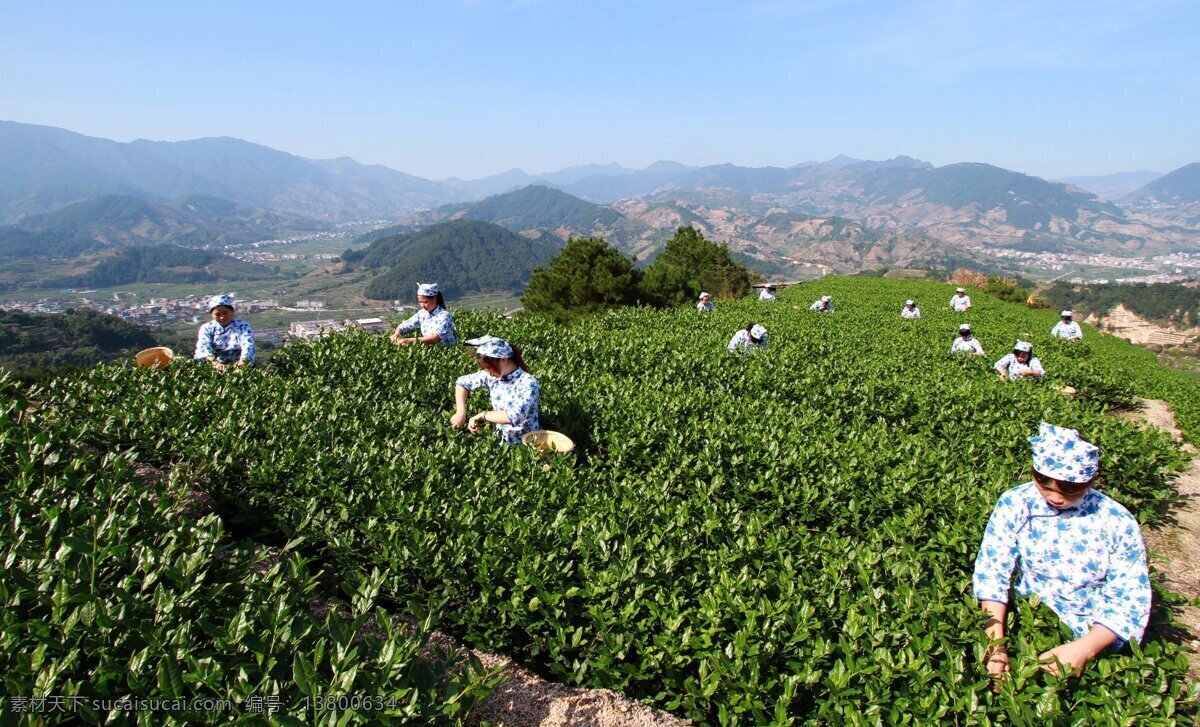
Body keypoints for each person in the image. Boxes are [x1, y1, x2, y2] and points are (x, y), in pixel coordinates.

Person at [973, 423, 1150, 679]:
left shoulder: (1116, 520)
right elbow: (992, 573)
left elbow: (1131, 599)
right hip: (1028, 618)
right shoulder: (1016, 503)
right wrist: (996, 645)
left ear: (1091, 480)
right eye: (1045, 486)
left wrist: (1084, 649)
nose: (1055, 498)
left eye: (1070, 490)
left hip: (1093, 635)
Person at [451, 335, 540, 446]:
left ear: (503, 360)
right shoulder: (492, 376)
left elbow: (514, 415)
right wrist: (461, 412)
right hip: (499, 441)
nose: (487, 371)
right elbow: (462, 383)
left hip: (526, 444)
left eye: (489, 367)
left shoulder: (528, 383)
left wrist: (482, 415)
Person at [194, 294, 255, 370]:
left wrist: (241, 364)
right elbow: (204, 346)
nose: (222, 317)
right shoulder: (207, 328)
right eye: (217, 314)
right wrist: (214, 363)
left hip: (240, 365)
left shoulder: (243, 326)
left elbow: (248, 345)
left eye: (225, 313)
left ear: (232, 311)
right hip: (214, 365)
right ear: (212, 315)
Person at [391, 283, 457, 346]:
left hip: (447, 350)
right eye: (420, 302)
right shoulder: (422, 314)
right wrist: (396, 333)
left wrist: (410, 340)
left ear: (434, 299)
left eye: (425, 302)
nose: (422, 305)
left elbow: (436, 337)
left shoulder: (444, 315)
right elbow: (406, 324)